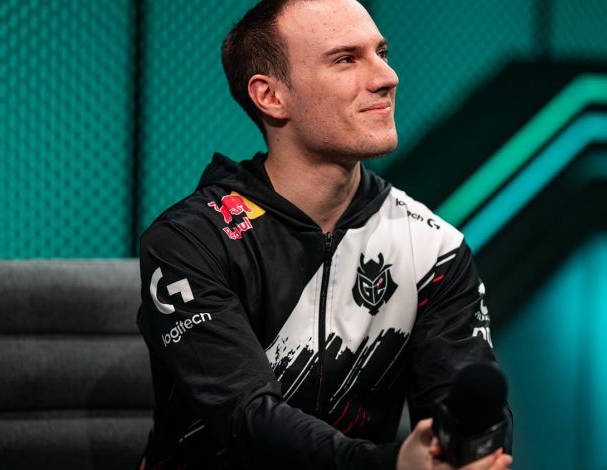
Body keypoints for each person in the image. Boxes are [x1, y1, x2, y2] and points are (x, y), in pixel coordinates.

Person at [136, 0, 513, 468]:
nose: (387, 77)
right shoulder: (190, 241)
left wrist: (463, 454)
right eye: (346, 59)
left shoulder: (435, 248)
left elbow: (459, 408)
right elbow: (249, 421)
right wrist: (392, 465)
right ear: (270, 96)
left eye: (382, 53)